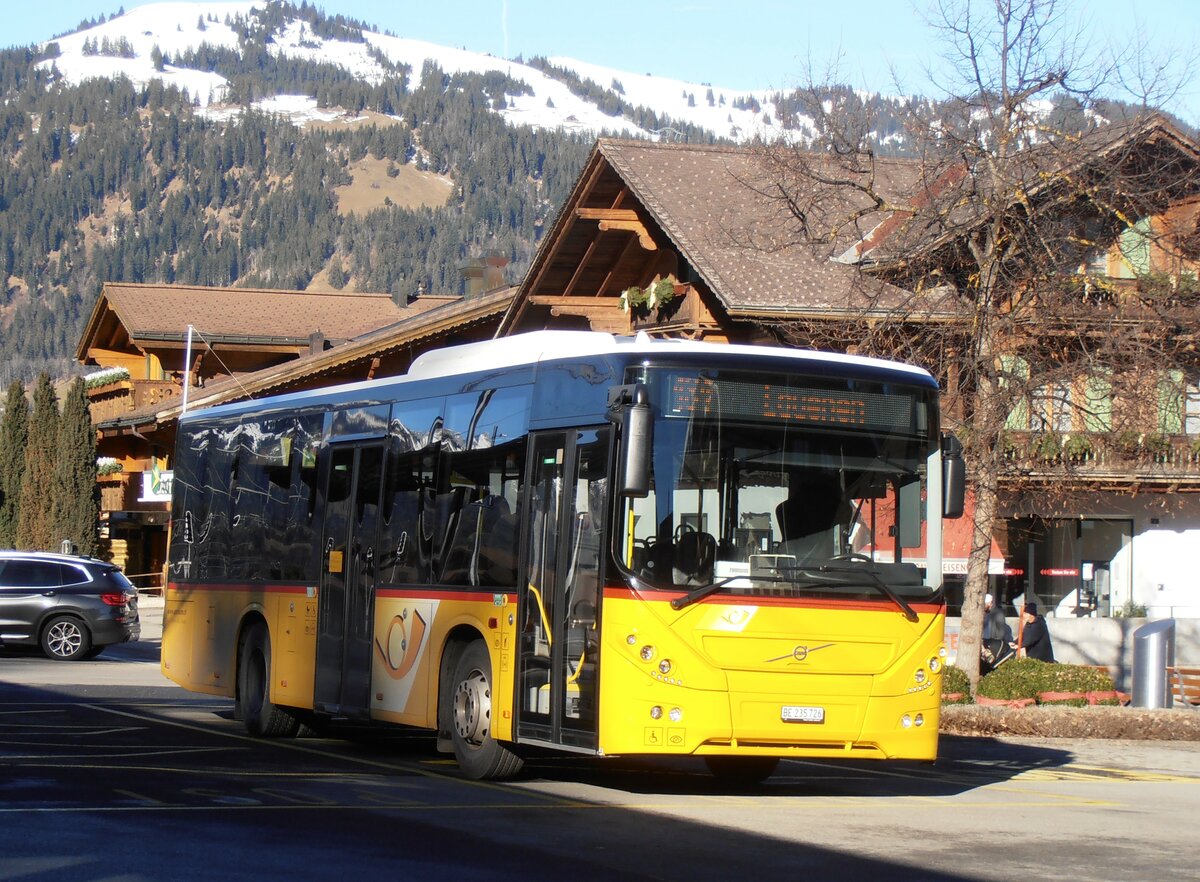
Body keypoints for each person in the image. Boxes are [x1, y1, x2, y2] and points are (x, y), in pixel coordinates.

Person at [981, 593, 1013, 673]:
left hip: (993, 646)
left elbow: (999, 633)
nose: (991, 605)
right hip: (987, 644)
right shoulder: (985, 614)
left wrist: (993, 644)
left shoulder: (996, 614)